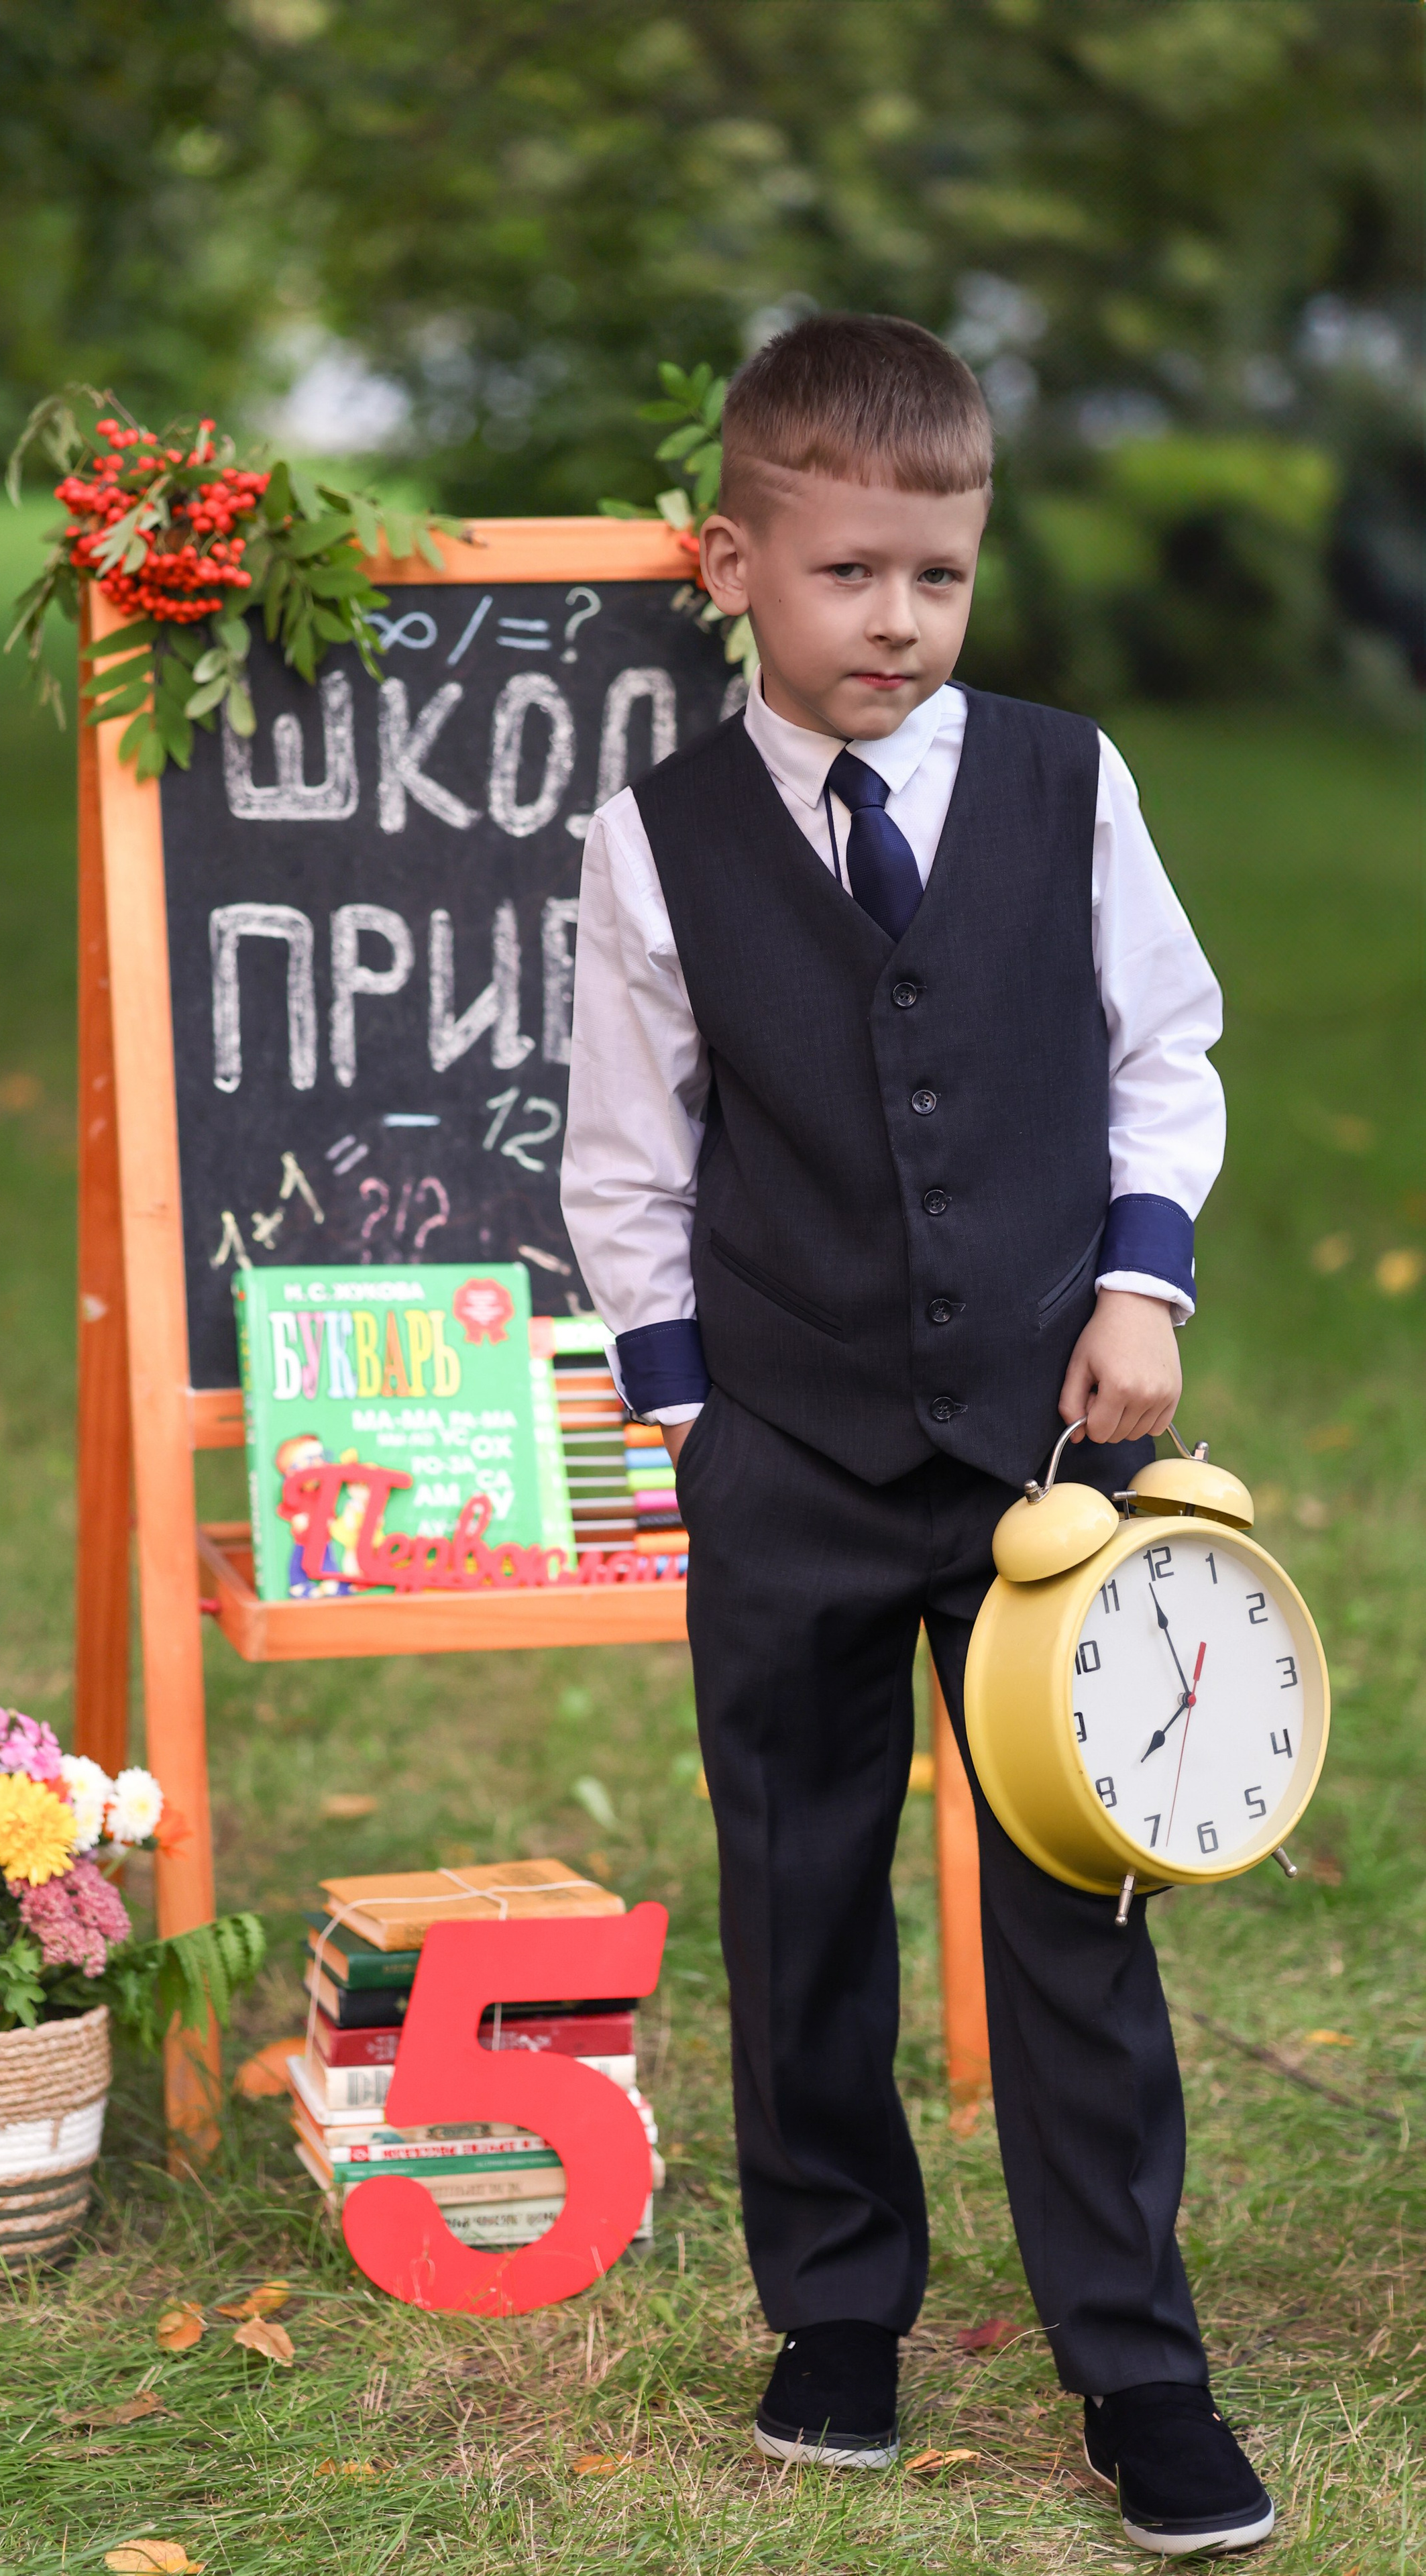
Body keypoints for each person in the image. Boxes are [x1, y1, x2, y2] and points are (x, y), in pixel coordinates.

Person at [561, 313, 1273, 2558]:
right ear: (734, 561)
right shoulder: (653, 840)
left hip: (1047, 1457)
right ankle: (839, 2312)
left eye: (939, 577)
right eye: (853, 572)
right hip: (782, 1448)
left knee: (1080, 1910)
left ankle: (1138, 2364)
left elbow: (1169, 1045)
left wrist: (1141, 1281)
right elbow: (622, 1154)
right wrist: (688, 1417)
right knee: (799, 1892)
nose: (898, 621)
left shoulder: (1070, 783)